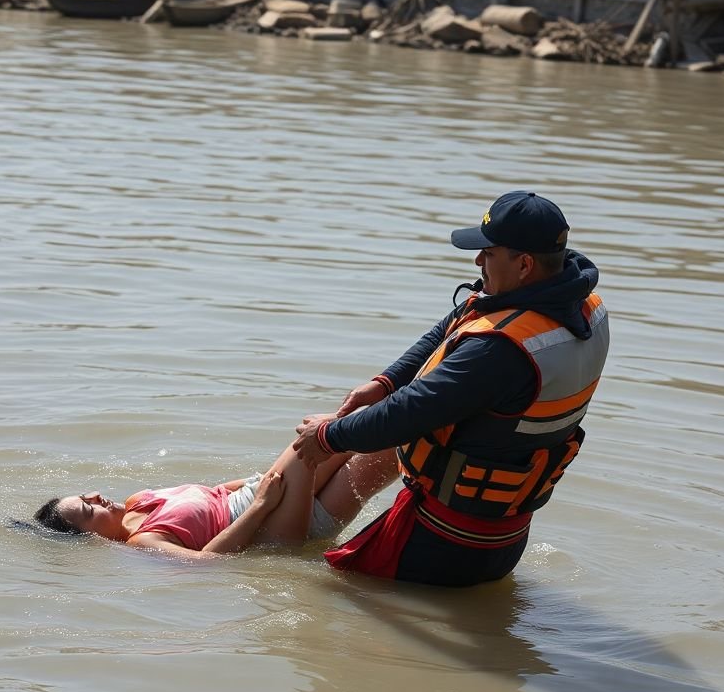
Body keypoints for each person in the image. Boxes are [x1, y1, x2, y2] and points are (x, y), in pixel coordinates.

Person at [293, 190, 610, 587]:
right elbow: (455, 323)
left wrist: (327, 437)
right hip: (500, 537)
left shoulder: (501, 351)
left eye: (488, 253)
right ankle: (306, 517)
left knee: (312, 589)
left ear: (524, 264)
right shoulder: (580, 304)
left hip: (443, 546)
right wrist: (385, 381)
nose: (477, 262)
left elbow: (407, 413)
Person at [31, 442, 397, 561]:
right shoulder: (144, 542)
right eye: (88, 509)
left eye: (86, 495)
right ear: (92, 539)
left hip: (264, 495)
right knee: (334, 435)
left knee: (378, 447)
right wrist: (261, 506)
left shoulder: (138, 501)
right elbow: (207, 562)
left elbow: (212, 491)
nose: (95, 497)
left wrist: (256, 484)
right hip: (271, 523)